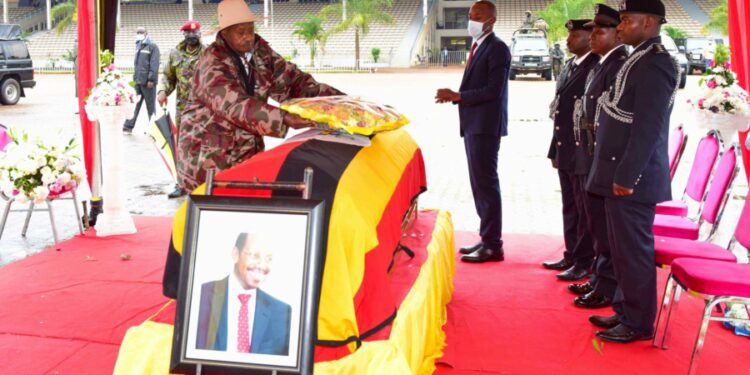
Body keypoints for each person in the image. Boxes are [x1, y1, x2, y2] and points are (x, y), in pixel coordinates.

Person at [177, 0, 343, 191]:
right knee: (212, 208)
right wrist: (284, 117)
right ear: (225, 33)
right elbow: (234, 105)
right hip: (206, 157)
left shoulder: (260, 51)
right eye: (241, 32)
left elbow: (294, 81)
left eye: (251, 29)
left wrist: (339, 101)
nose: (248, 37)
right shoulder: (211, 61)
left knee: (244, 204)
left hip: (244, 151)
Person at [587, 0, 678, 343]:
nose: (621, 25)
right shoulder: (637, 59)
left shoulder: (655, 64)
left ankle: (639, 321)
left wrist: (627, 176)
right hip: (617, 172)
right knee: (620, 248)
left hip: (631, 178)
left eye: (627, 19)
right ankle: (625, 309)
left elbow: (647, 129)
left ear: (650, 22)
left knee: (634, 251)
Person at [435, 0, 510, 263]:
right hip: (474, 125)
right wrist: (457, 98)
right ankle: (486, 237)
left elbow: (493, 90)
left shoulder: (498, 48)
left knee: (487, 184)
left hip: (486, 126)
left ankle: (493, 245)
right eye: (469, 15)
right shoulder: (480, 46)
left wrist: (457, 95)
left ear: (491, 20)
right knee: (479, 184)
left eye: (477, 15)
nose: (471, 20)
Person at [567, 3, 629, 310]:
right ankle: (599, 279)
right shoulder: (603, 62)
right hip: (587, 152)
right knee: (594, 222)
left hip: (599, 157)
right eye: (592, 30)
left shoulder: (618, 64)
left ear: (617, 35)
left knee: (604, 228)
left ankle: (606, 286)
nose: (593, 36)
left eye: (600, 31)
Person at [542, 19, 599, 281]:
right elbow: (561, 112)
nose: (569, 39)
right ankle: (572, 253)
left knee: (583, 208)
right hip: (565, 147)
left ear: (590, 37)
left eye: (575, 34)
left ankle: (584, 260)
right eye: (569, 34)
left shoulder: (594, 66)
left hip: (582, 151)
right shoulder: (569, 65)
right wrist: (554, 149)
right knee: (569, 206)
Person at [196, 233, 291, 354]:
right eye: (255, 256)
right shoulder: (200, 296)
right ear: (236, 254)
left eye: (268, 259)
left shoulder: (282, 313)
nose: (262, 265)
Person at [157, 20, 206, 199]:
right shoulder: (175, 54)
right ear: (184, 35)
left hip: (205, 109)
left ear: (200, 33)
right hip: (183, 110)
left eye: (195, 32)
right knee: (183, 147)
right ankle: (181, 184)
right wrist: (163, 91)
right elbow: (168, 77)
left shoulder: (209, 53)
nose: (192, 35)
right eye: (188, 33)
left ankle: (202, 184)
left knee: (203, 146)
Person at [123, 27, 160, 134]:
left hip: (148, 82)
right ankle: (128, 126)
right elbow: (137, 65)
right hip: (137, 81)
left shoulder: (152, 46)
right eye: (138, 32)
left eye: (141, 32)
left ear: (146, 33)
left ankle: (154, 129)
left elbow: (154, 64)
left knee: (150, 107)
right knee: (134, 104)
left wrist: (151, 79)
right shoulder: (138, 45)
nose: (139, 34)